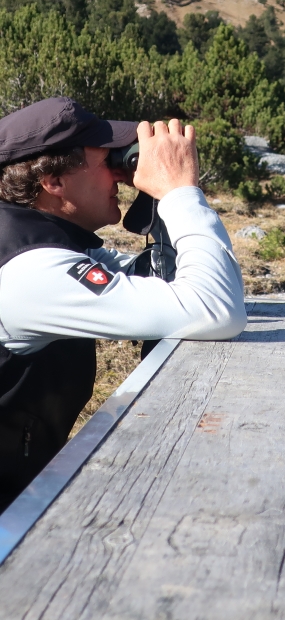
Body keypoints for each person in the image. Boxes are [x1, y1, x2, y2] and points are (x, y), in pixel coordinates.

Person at [0, 97, 247, 511]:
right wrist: (179, 193)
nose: (121, 171)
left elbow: (177, 280)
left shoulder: (39, 242)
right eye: (107, 159)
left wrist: (162, 205)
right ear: (53, 181)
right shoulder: (30, 271)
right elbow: (216, 308)